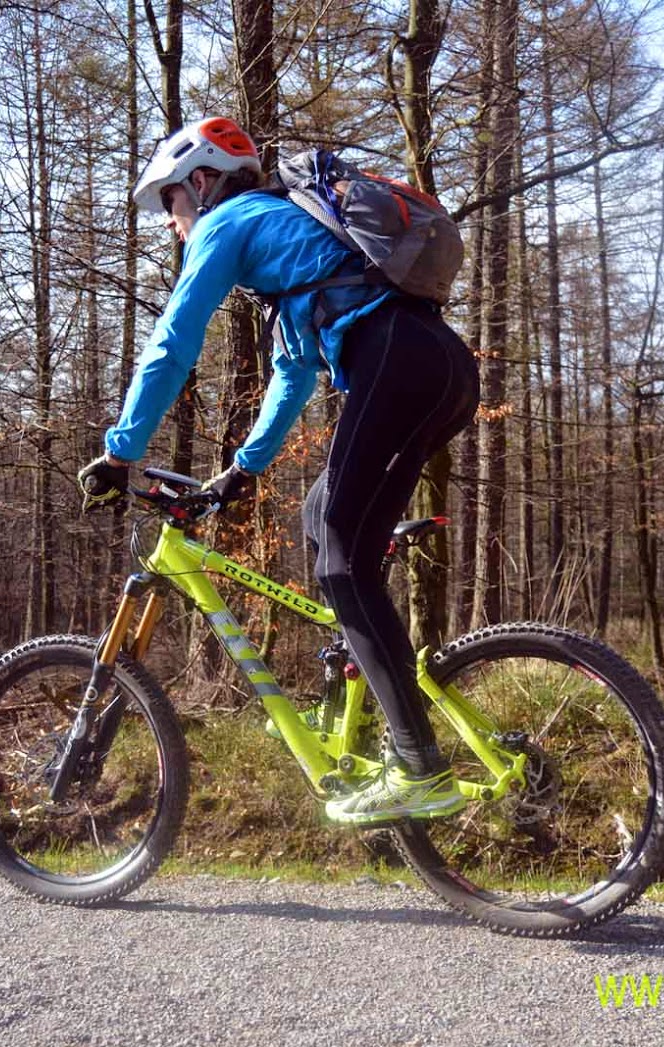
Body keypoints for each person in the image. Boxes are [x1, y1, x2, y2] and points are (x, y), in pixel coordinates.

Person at [78, 116, 479, 825]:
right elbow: (292, 374)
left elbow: (175, 340)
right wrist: (242, 469)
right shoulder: (291, 241)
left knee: (340, 555)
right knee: (321, 520)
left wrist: (122, 448)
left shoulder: (228, 225)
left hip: (399, 362)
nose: (170, 223)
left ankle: (421, 765)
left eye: (169, 202)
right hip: (437, 365)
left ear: (200, 182)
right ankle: (348, 690)